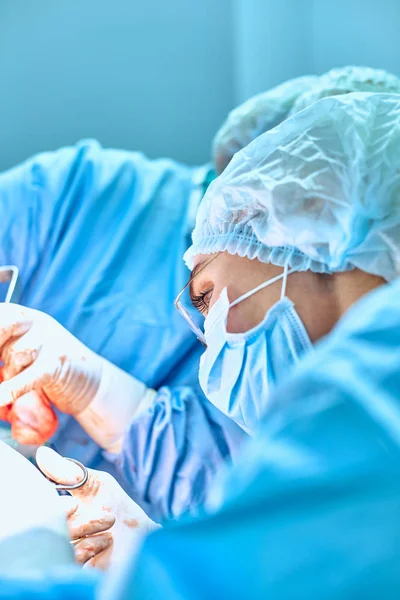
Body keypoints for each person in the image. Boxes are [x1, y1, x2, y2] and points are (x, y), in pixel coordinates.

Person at [1, 91, 400, 597]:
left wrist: (24, 532)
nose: (209, 349)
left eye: (205, 296)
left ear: (311, 213)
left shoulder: (377, 393)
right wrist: (141, 542)